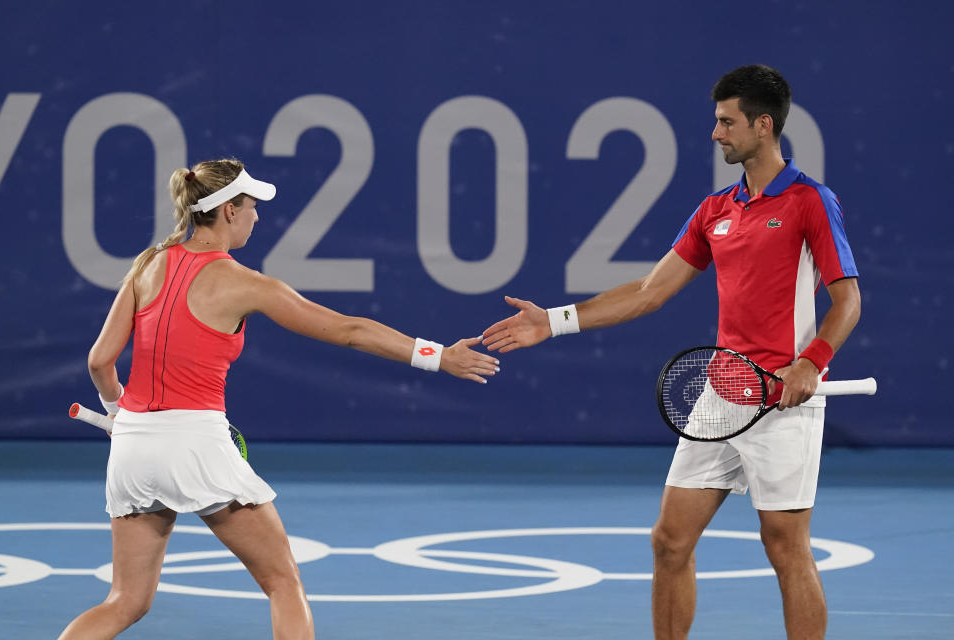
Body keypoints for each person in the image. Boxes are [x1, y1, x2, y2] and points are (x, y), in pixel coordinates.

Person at [481, 64, 860, 640]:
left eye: (726, 122)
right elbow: (647, 291)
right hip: (719, 397)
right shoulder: (715, 210)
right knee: (669, 541)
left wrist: (810, 362)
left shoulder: (811, 201)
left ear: (763, 125)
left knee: (785, 547)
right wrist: (554, 323)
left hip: (783, 403)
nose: (716, 134)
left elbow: (847, 300)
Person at [58, 158, 501, 640]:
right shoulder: (249, 284)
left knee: (124, 601)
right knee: (283, 584)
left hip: (132, 448)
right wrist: (439, 357)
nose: (257, 216)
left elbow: (100, 361)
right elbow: (349, 331)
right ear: (228, 211)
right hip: (195, 443)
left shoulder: (147, 264)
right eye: (251, 207)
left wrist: (119, 410)